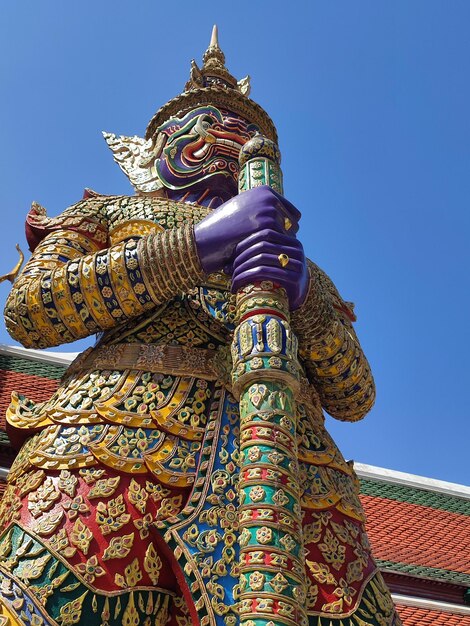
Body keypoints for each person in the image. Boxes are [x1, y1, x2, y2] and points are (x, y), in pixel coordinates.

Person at [0, 27, 401, 626]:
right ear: (156, 147)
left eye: (246, 135)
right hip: (109, 443)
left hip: (292, 476)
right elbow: (32, 309)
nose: (230, 141)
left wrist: (308, 296)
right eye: (206, 127)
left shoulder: (296, 263)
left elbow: (355, 395)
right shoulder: (108, 213)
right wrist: (198, 244)